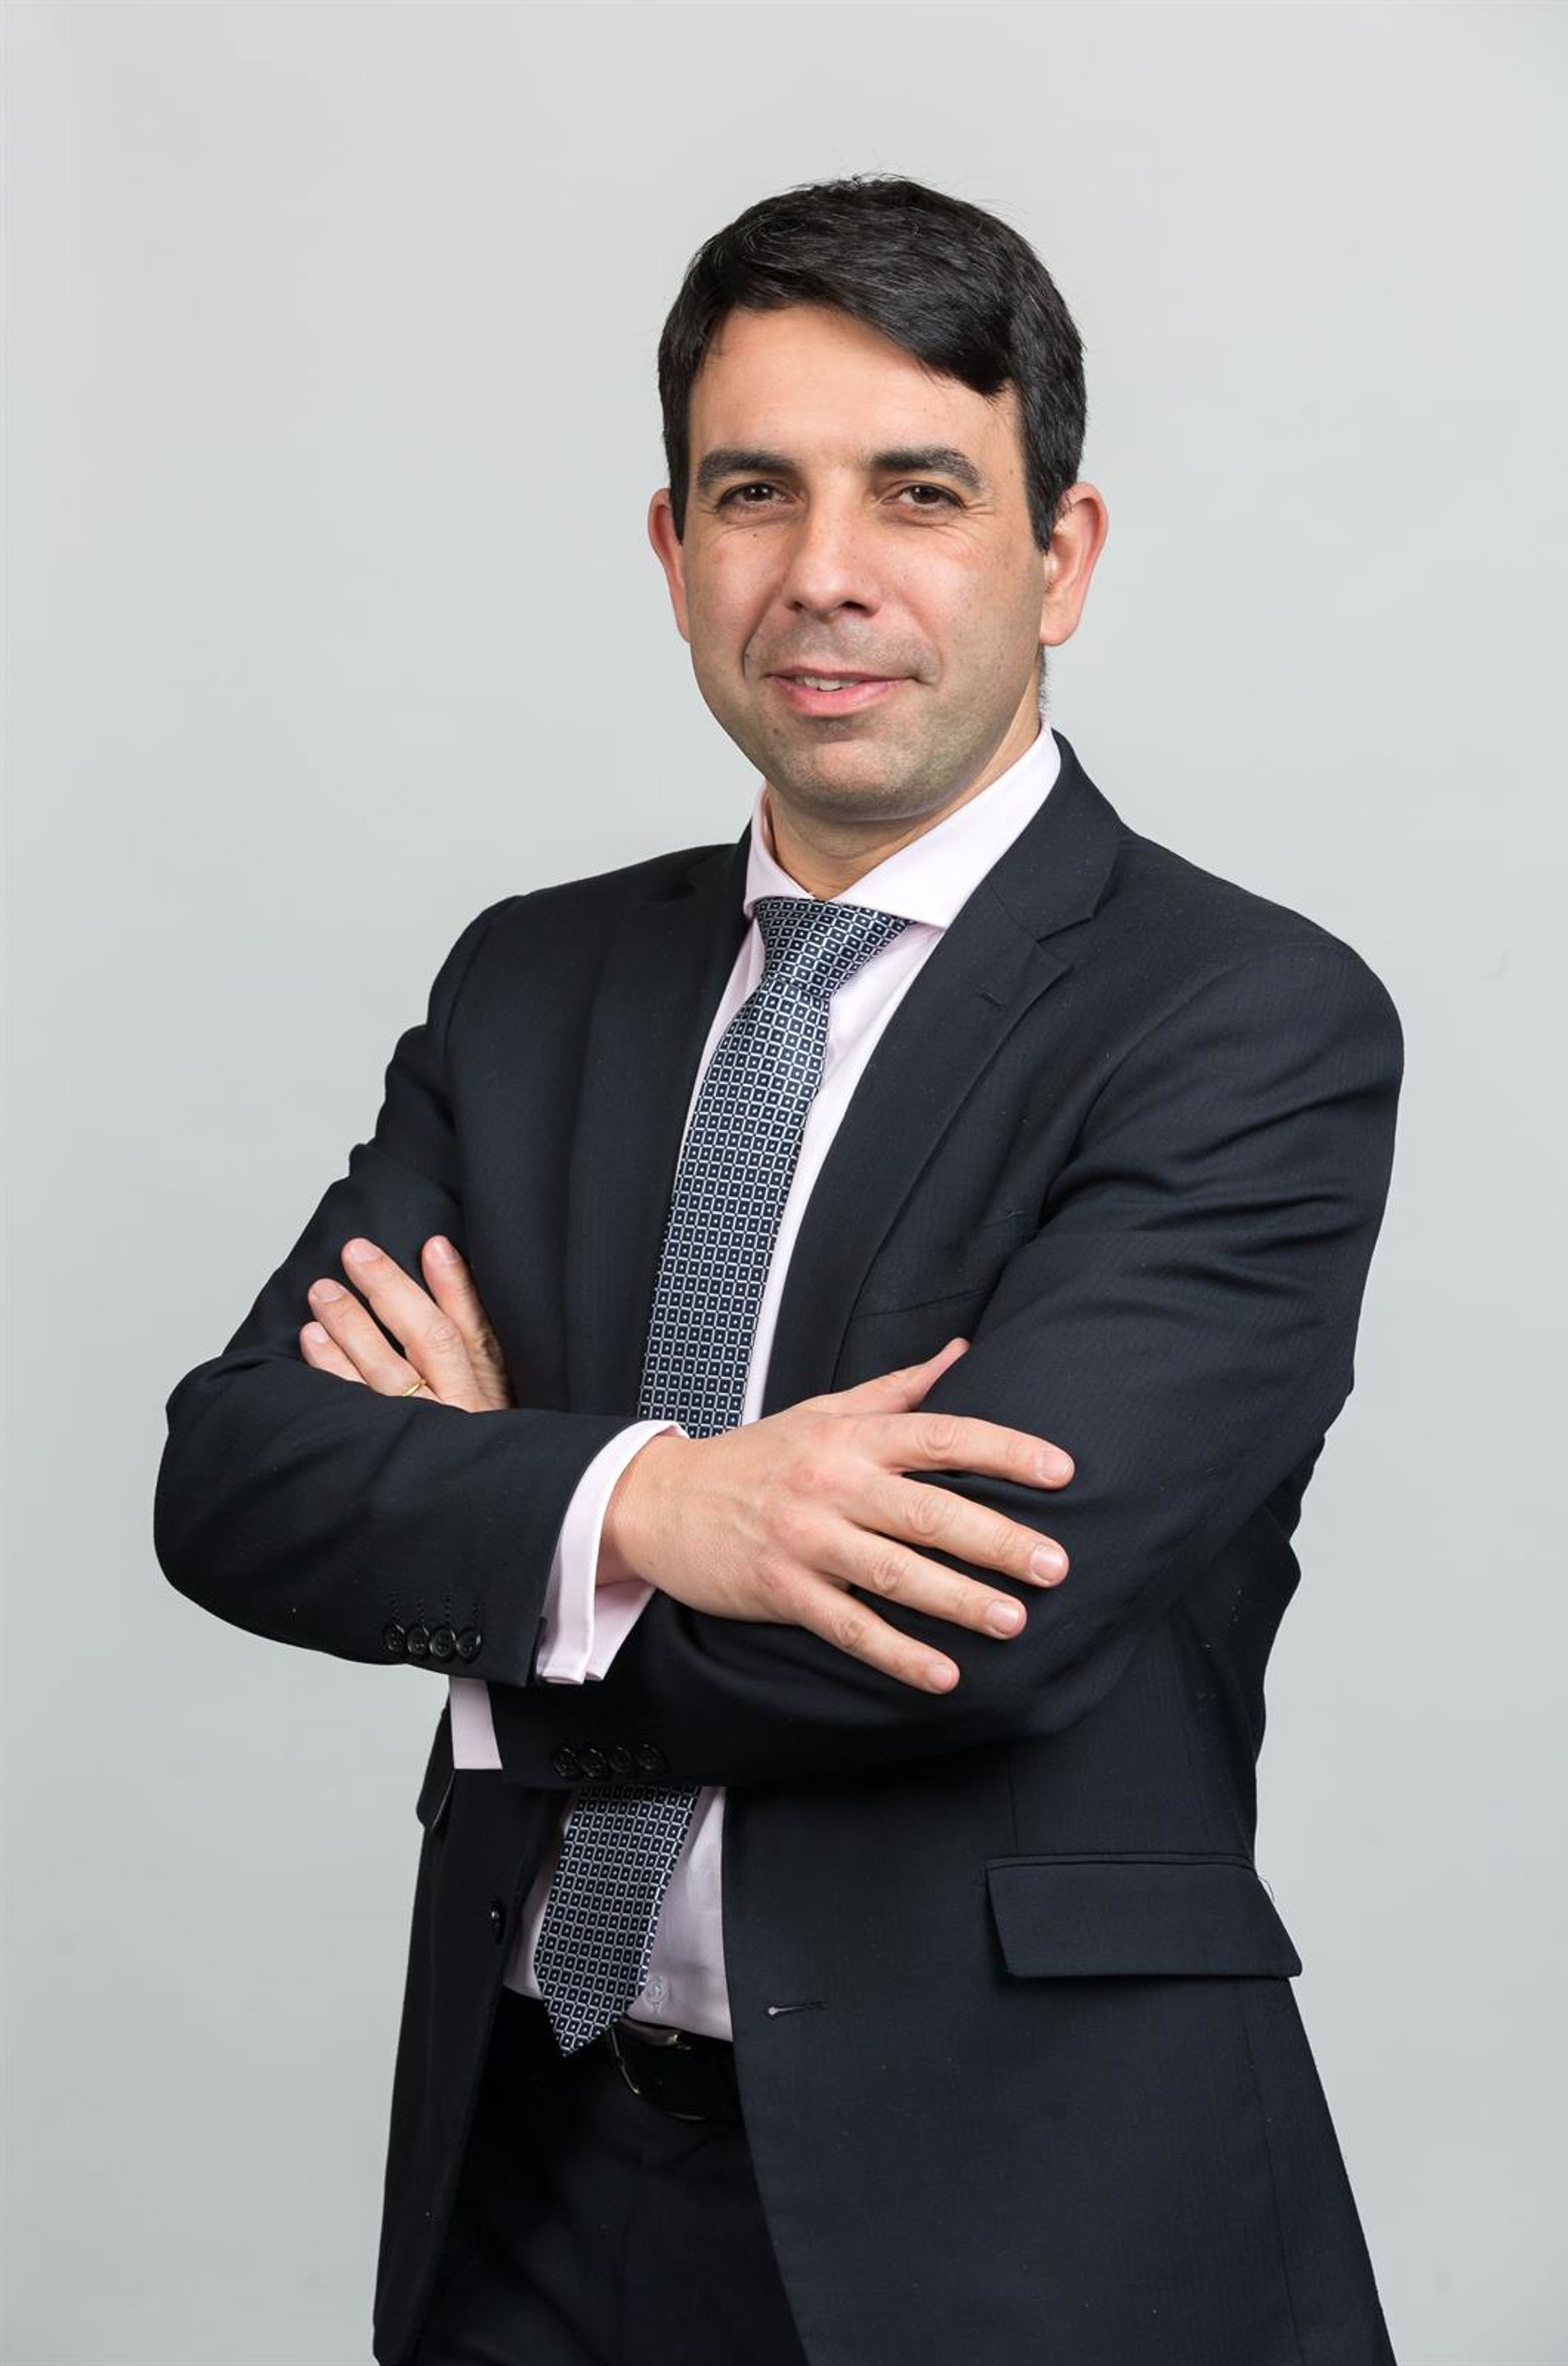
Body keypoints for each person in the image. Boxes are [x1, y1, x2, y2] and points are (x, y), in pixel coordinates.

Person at [154, 172, 1404, 2366]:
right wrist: (653, 1507)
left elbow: (964, 1631)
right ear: (673, 551)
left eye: (918, 491)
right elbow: (239, 1479)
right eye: (756, 493)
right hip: (529, 2177)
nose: (825, 572)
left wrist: (507, 1545)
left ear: (1061, 555)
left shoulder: (1240, 1022)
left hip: (1024, 2219)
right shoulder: (532, 985)